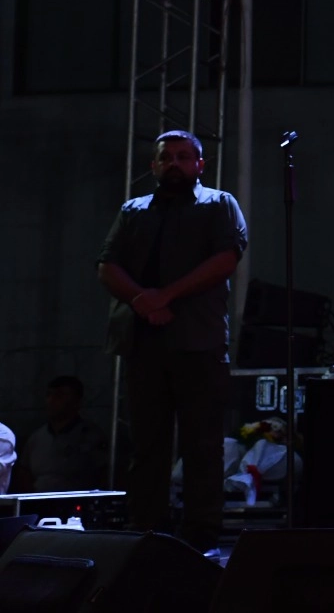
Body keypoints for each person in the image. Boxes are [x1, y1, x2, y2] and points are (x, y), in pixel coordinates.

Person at [96, 130, 246, 553]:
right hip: (143, 343)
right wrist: (142, 301)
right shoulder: (133, 210)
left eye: (183, 157)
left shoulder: (219, 203)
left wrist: (166, 296)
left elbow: (226, 259)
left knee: (202, 445)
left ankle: (202, 536)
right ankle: (147, 531)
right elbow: (107, 264)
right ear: (154, 166)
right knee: (147, 445)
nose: (174, 164)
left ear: (200, 164)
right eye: (167, 158)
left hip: (199, 342)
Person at [13, 376, 109, 493]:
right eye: (49, 395)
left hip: (77, 499)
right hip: (39, 499)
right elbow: (24, 472)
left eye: (60, 395)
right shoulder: (37, 438)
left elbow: (103, 473)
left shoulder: (92, 436)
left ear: (77, 401)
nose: (51, 400)